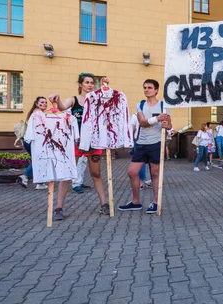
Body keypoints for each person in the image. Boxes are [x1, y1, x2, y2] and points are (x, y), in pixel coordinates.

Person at [48, 73, 109, 219]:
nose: (90, 85)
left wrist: (106, 87)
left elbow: (108, 107)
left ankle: (104, 204)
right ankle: (58, 208)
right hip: (75, 143)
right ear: (80, 84)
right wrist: (57, 99)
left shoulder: (96, 100)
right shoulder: (74, 100)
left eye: (92, 83)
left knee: (96, 174)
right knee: (67, 175)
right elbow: (62, 107)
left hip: (93, 143)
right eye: (87, 82)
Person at [118, 79, 172, 214]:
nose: (146, 90)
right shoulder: (140, 105)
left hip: (156, 143)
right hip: (142, 143)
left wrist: (167, 125)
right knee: (132, 171)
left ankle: (155, 202)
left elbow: (169, 124)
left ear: (156, 90)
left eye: (149, 87)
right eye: (145, 87)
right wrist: (157, 119)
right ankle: (135, 202)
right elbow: (142, 123)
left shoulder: (163, 105)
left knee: (155, 173)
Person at [18, 96, 49, 190]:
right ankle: (25, 176)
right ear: (36, 104)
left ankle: (40, 182)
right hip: (34, 141)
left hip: (29, 141)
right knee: (38, 160)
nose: (44, 104)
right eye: (42, 102)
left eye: (45, 102)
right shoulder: (38, 114)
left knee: (39, 160)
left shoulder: (35, 113)